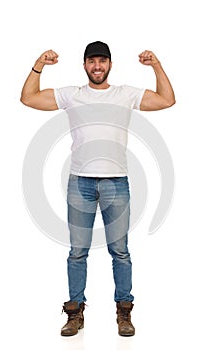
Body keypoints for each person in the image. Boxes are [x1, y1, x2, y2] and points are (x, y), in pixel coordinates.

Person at [20, 41, 175, 337]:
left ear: (110, 65)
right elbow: (28, 98)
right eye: (92, 61)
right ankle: (75, 312)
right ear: (85, 65)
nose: (97, 66)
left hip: (117, 182)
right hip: (80, 182)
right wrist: (39, 64)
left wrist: (156, 65)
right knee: (78, 252)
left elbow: (167, 100)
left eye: (102, 61)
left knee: (121, 252)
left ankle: (124, 311)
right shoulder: (72, 95)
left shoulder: (124, 94)